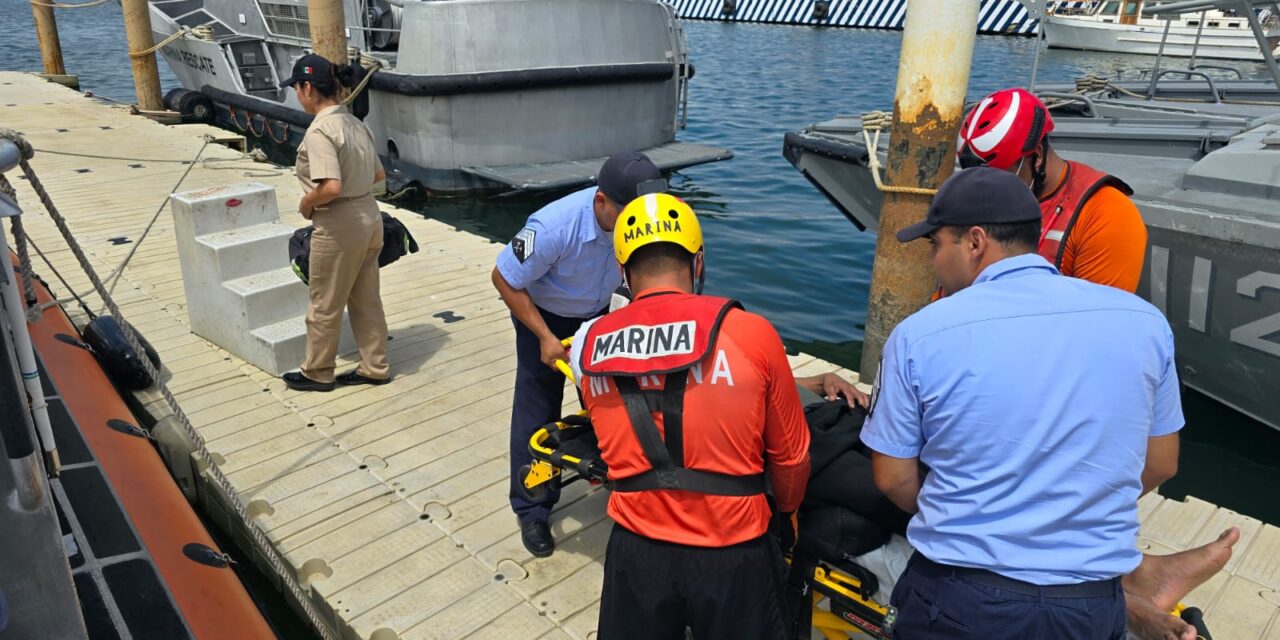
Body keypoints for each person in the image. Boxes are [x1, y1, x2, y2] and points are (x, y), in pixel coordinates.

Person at [860, 166, 1186, 639]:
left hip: (963, 597)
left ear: (975, 242)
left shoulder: (920, 334)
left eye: (936, 244)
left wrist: (977, 512)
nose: (933, 261)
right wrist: (1063, 509)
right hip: (1089, 604)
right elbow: (1161, 462)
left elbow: (892, 477)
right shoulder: (1145, 322)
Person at [569, 193, 810, 640]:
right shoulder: (751, 333)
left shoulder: (592, 344)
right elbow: (791, 457)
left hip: (636, 552)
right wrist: (788, 514)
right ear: (697, 263)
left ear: (624, 271)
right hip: (734, 554)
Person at [493, 151, 665, 557]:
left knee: (609, 403)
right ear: (602, 201)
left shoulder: (638, 221)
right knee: (538, 407)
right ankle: (532, 508)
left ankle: (617, 479)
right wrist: (544, 337)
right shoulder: (555, 226)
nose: (636, 222)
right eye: (628, 213)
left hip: (596, 313)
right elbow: (503, 277)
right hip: (545, 317)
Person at [957, 87, 1147, 293]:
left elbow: (1098, 317)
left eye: (1000, 179)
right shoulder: (982, 202)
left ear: (1037, 157)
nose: (988, 193)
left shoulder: (1106, 214)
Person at [281, 54, 390, 392]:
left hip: (340, 222)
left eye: (297, 88)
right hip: (369, 216)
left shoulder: (320, 131)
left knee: (325, 303)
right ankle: (375, 366)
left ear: (308, 87)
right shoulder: (356, 124)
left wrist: (307, 202)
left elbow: (331, 186)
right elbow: (378, 176)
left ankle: (318, 372)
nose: (297, 95)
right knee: (366, 299)